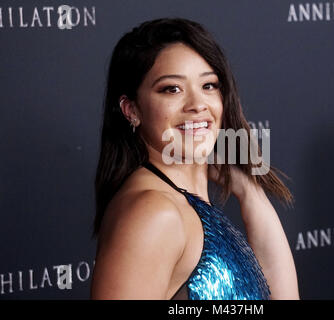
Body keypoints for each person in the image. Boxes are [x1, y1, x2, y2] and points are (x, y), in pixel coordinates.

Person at [90, 17, 299, 300]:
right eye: (172, 89)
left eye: (209, 85)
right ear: (131, 109)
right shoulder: (155, 213)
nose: (198, 104)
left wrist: (250, 190)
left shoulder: (181, 202)